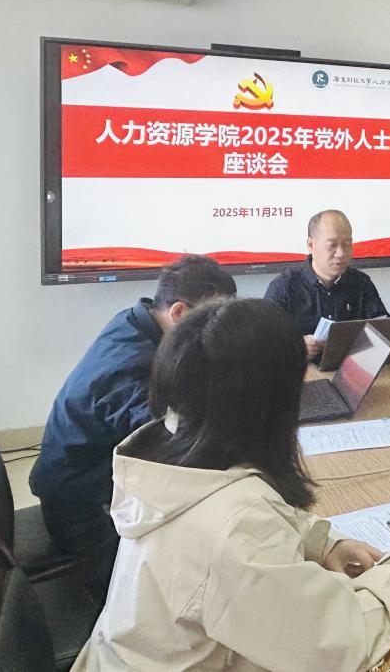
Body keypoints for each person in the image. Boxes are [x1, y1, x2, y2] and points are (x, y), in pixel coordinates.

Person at [73, 298, 390, 671]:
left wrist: (323, 542)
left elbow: (232, 517)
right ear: (274, 404)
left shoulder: (169, 450)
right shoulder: (237, 523)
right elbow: (339, 648)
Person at [30, 254, 236, 599]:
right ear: (179, 313)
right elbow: (164, 438)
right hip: (84, 508)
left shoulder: (138, 322)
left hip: (86, 479)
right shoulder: (128, 364)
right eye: (213, 319)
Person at [265, 209, 389, 361]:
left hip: (351, 369)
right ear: (311, 245)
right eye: (332, 245)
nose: (341, 253)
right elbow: (264, 343)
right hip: (301, 371)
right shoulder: (284, 287)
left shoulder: (361, 283)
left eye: (347, 244)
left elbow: (385, 333)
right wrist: (296, 346)